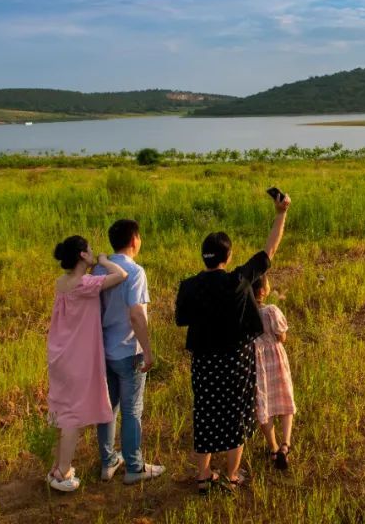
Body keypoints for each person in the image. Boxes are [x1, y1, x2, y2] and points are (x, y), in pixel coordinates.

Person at [175, 192, 291, 495]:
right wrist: (281, 214)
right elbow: (269, 252)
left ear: (204, 256)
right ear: (228, 257)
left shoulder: (189, 286)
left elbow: (183, 317)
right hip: (236, 361)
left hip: (203, 362)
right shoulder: (238, 280)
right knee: (236, 416)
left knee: (205, 415)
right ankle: (232, 474)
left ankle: (203, 476)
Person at [47, 236, 128, 492]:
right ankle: (62, 473)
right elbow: (122, 274)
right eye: (90, 250)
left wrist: (93, 265)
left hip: (60, 355)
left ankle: (59, 467)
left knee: (62, 412)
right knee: (72, 417)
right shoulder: (86, 284)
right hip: (77, 359)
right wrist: (104, 260)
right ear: (82, 255)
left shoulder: (63, 283)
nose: (94, 253)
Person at [92, 219, 164, 484]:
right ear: (135, 240)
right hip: (128, 350)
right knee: (132, 410)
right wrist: (147, 350)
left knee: (108, 408)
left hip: (104, 349)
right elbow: (136, 314)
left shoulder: (100, 268)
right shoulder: (135, 272)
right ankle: (134, 467)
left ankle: (108, 461)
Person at [252, 274, 297, 470]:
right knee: (285, 400)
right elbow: (282, 336)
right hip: (276, 360)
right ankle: (285, 446)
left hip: (257, 362)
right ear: (263, 291)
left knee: (264, 404)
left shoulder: (245, 312)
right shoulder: (271, 311)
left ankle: (273, 448)